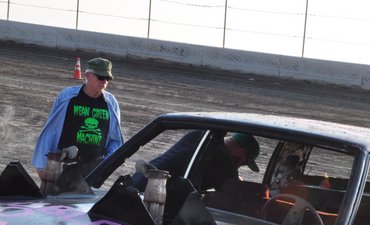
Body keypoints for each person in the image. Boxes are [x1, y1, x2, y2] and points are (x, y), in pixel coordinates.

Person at [31, 57, 123, 188]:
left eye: (108, 78)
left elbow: (115, 138)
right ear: (88, 76)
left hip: (94, 167)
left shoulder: (111, 103)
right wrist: (42, 164)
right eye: (101, 77)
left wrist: (106, 164)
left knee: (86, 201)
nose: (104, 81)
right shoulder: (67, 97)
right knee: (54, 199)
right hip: (64, 163)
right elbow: (51, 130)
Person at [130, 130, 260, 192]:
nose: (239, 166)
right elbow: (234, 193)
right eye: (244, 162)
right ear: (241, 153)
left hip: (136, 183)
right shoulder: (225, 161)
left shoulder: (199, 135)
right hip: (153, 196)